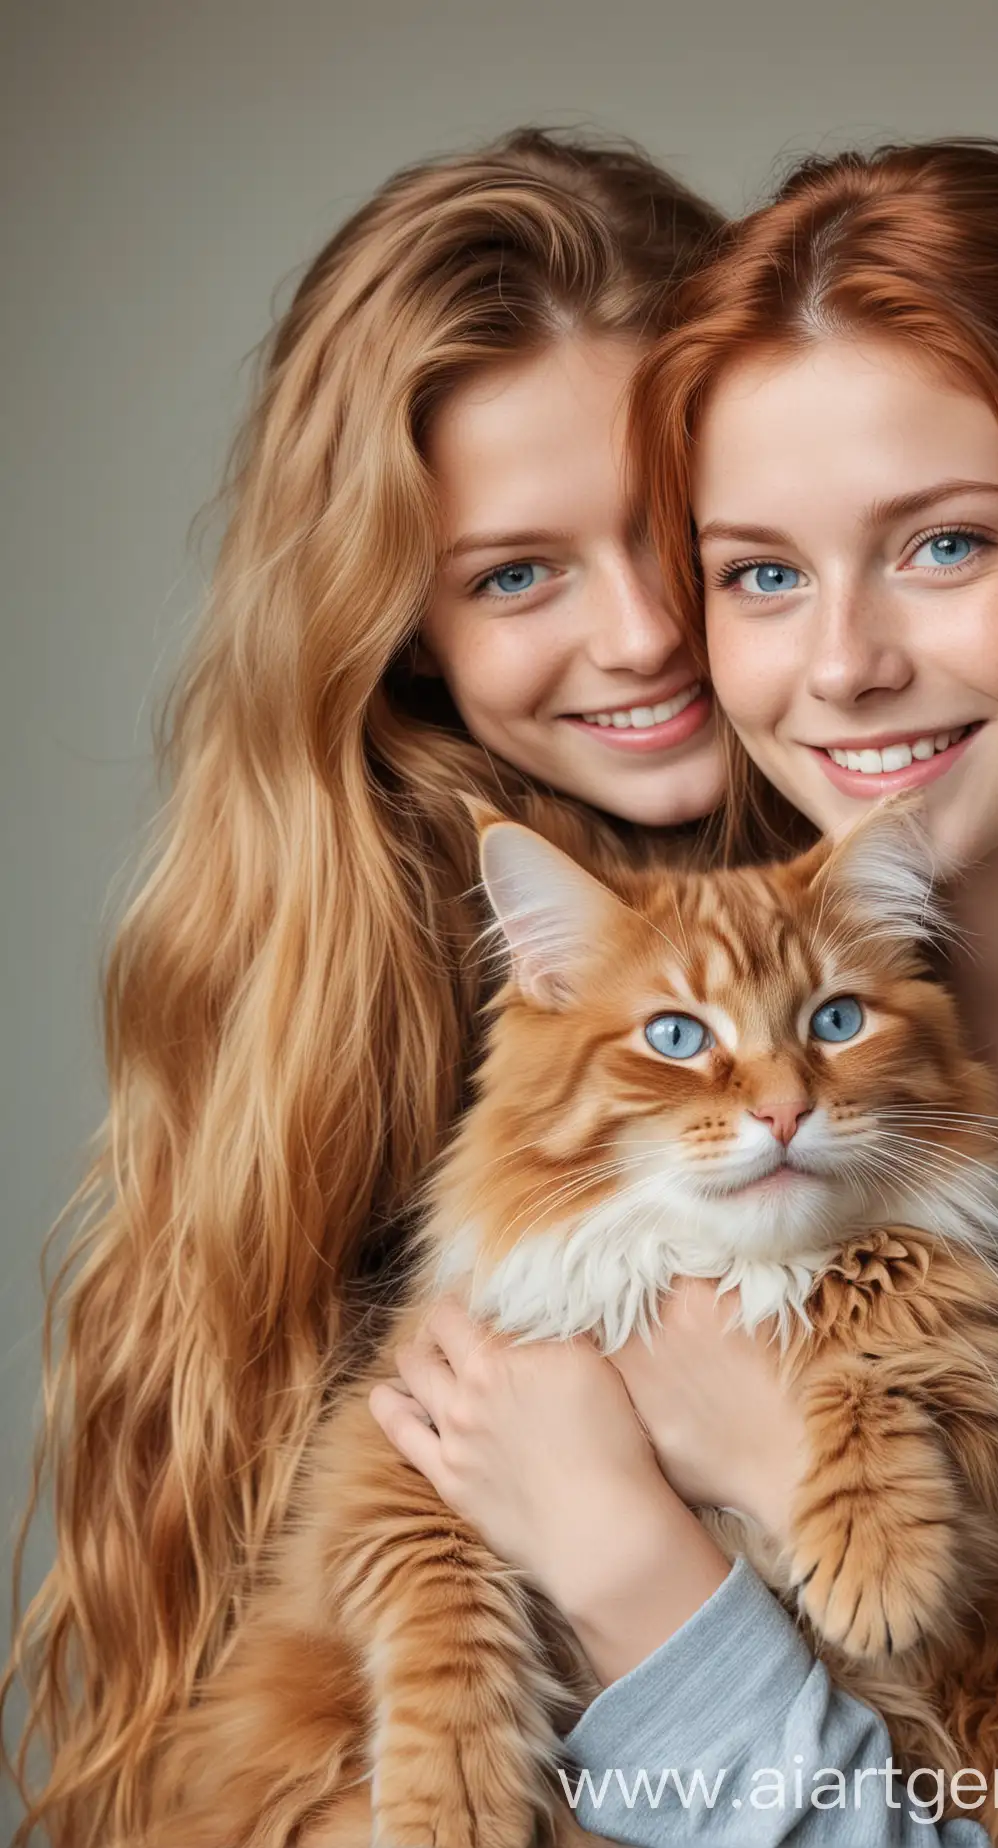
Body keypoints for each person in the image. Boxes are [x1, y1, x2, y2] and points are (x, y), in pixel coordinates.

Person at [371, 142, 998, 1845]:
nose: (842, 663)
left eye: (944, 546)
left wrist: (656, 1565)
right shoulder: (614, 1065)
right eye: (762, 572)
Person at [1, 128, 738, 1848]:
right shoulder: (384, 960)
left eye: (683, 530)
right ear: (404, 623)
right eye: (516, 573)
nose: (640, 632)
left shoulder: (933, 869)